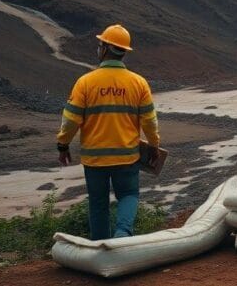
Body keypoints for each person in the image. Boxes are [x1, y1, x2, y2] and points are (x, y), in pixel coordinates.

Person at [56, 24, 161, 240]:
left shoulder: (85, 82)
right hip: (127, 157)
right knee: (129, 195)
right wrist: (154, 145)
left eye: (100, 44)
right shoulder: (138, 83)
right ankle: (123, 233)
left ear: (104, 48)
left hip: (95, 160)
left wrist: (63, 145)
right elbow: (150, 121)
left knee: (98, 203)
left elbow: (70, 120)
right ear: (124, 51)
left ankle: (100, 247)